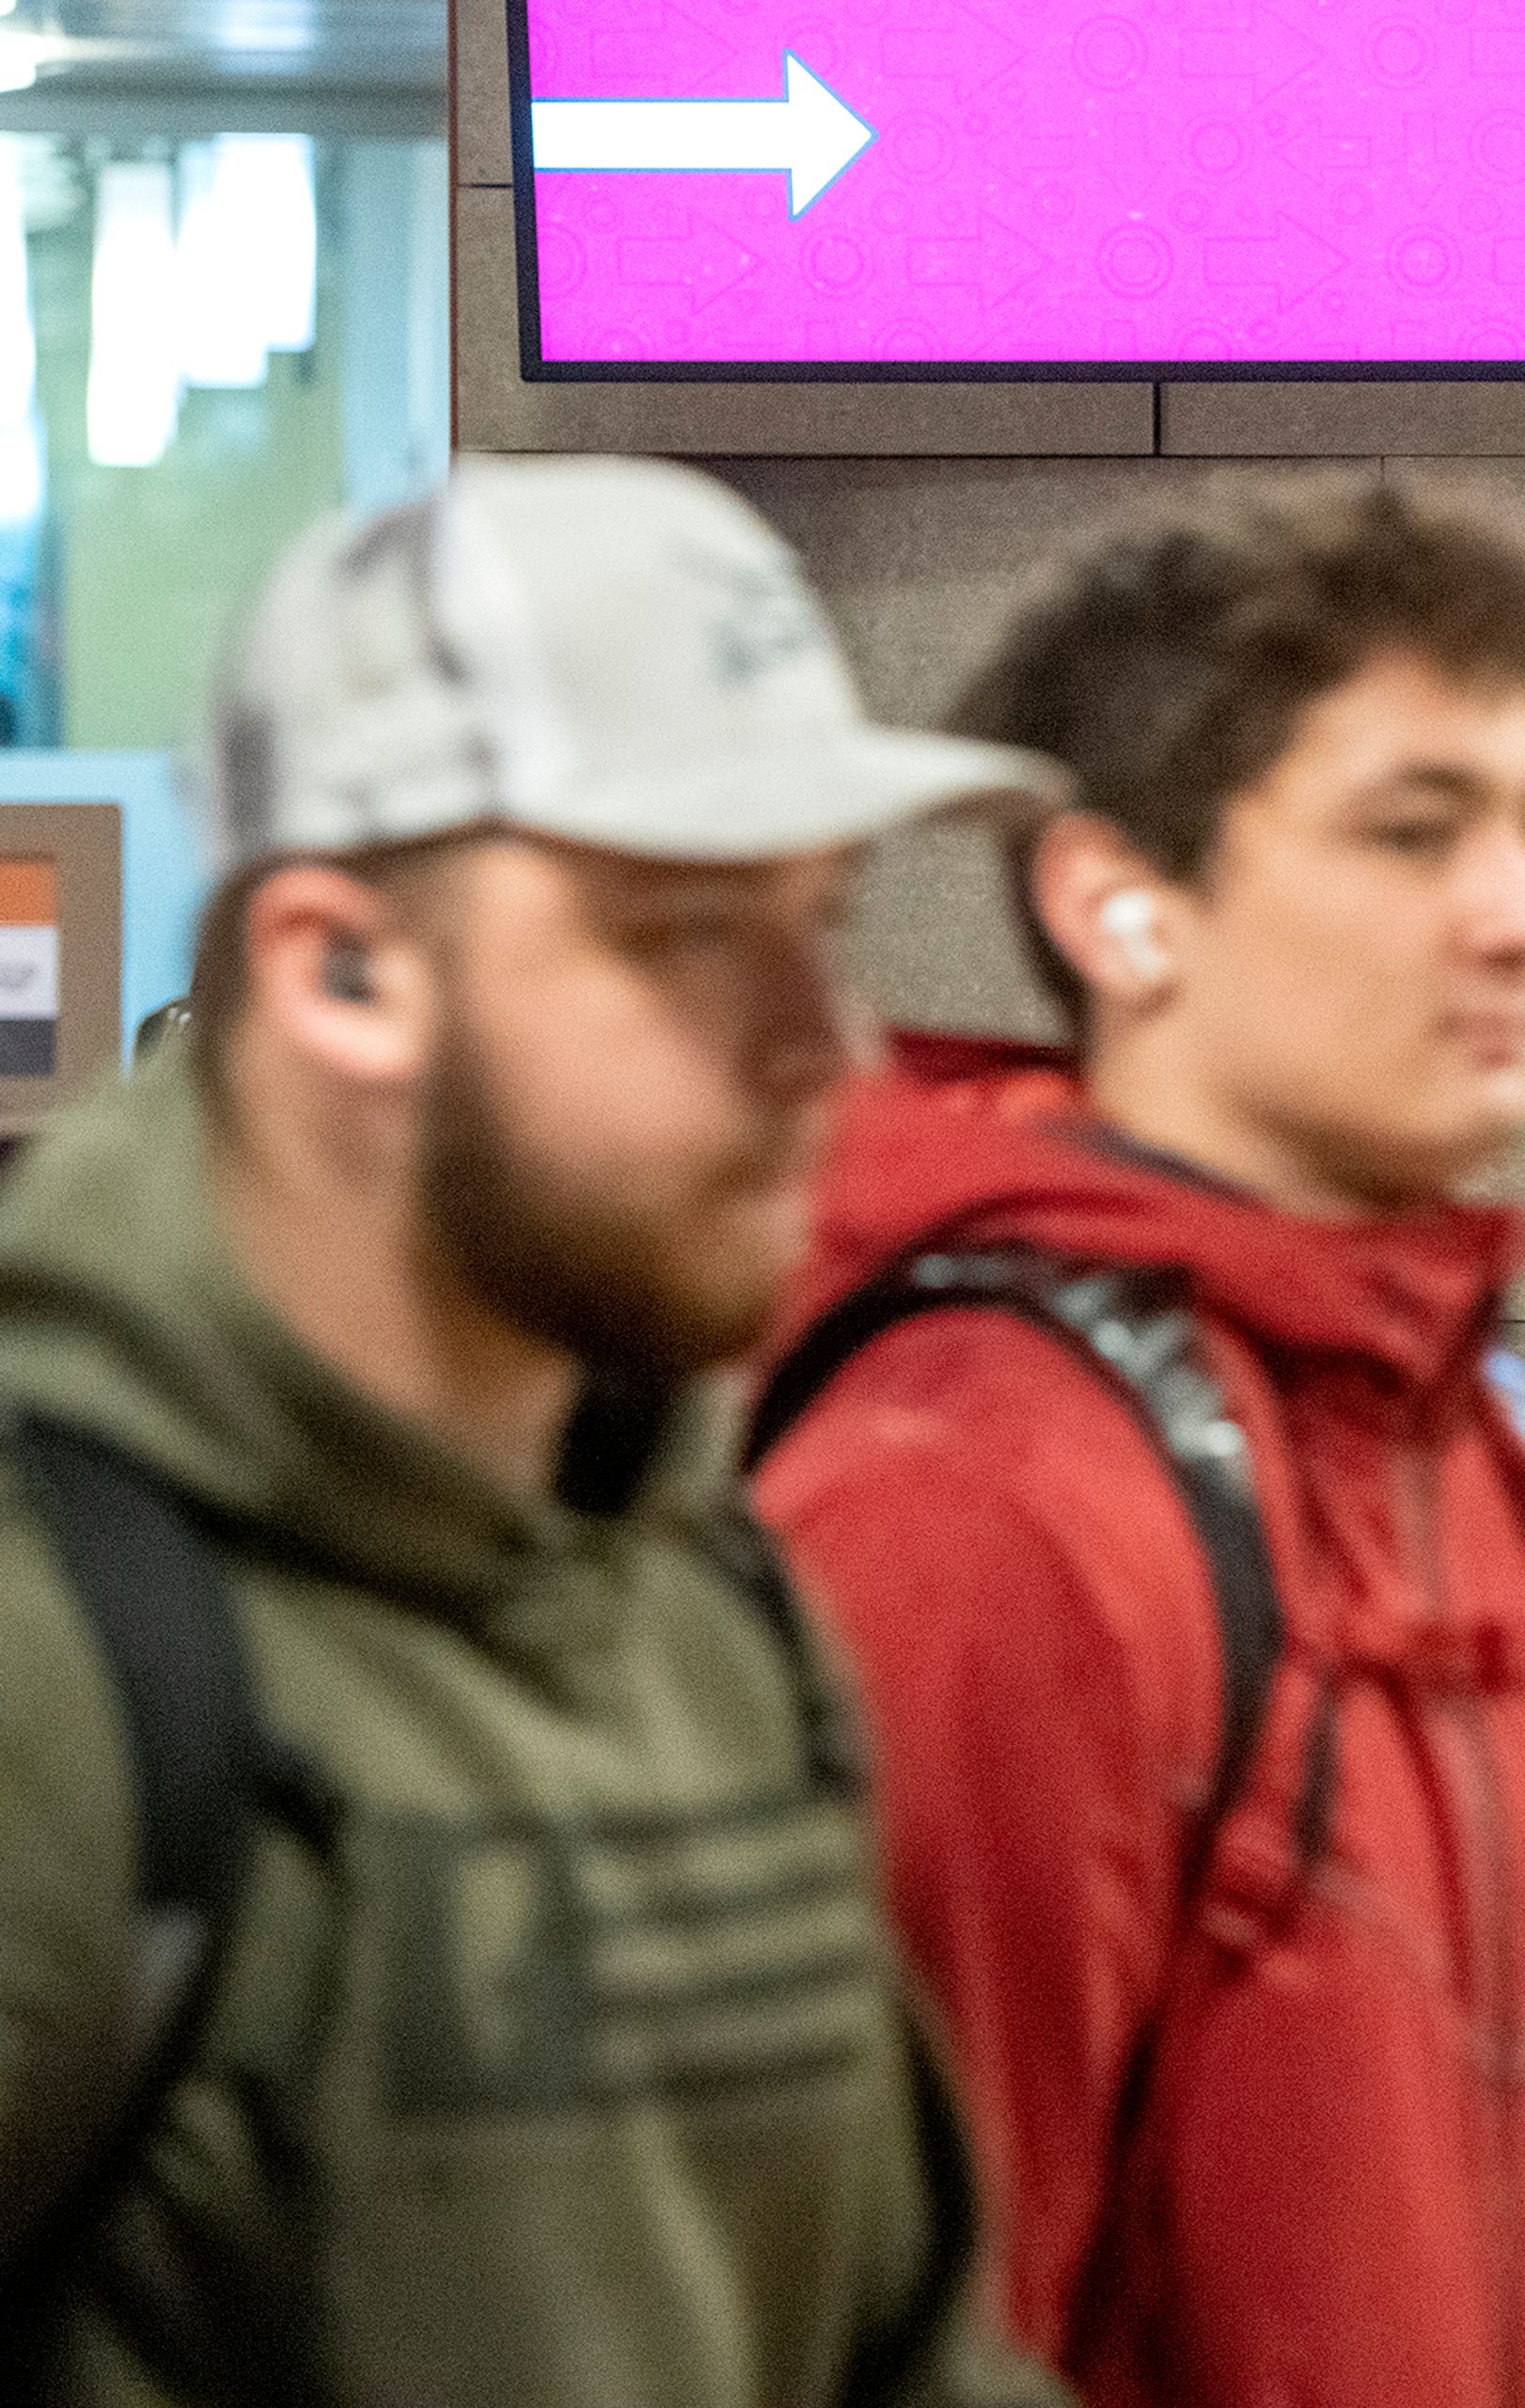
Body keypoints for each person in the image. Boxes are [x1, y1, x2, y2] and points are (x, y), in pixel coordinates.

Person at [748, 489, 1525, 2408]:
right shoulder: (966, 1504)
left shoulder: (1486, 1441)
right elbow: (900, 2338)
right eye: (1417, 832)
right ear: (1113, 902)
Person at [0, 457, 1075, 2408]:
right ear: (340, 971)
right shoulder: (55, 1665)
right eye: (683, 937)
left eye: (822, 924)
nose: (825, 1047)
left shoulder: (711, 1607)